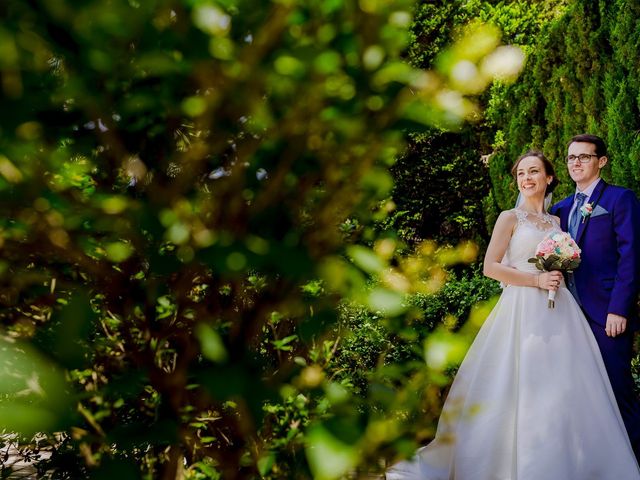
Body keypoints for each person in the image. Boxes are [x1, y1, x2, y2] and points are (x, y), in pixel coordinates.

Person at [386, 151, 640, 479]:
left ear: (549, 178)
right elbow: (491, 267)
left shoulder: (558, 221)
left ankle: (572, 461)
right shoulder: (510, 217)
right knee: (520, 380)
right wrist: (536, 280)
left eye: (534, 171)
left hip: (561, 309)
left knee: (565, 386)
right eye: (521, 174)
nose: (526, 179)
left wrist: (558, 275)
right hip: (521, 307)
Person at [549, 133, 640, 458]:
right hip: (566, 317)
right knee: (578, 396)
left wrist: (619, 309)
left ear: (600, 161)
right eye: (571, 158)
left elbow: (632, 257)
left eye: (584, 157)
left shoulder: (619, 199)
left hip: (606, 317)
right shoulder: (558, 208)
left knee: (618, 393)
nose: (576, 163)